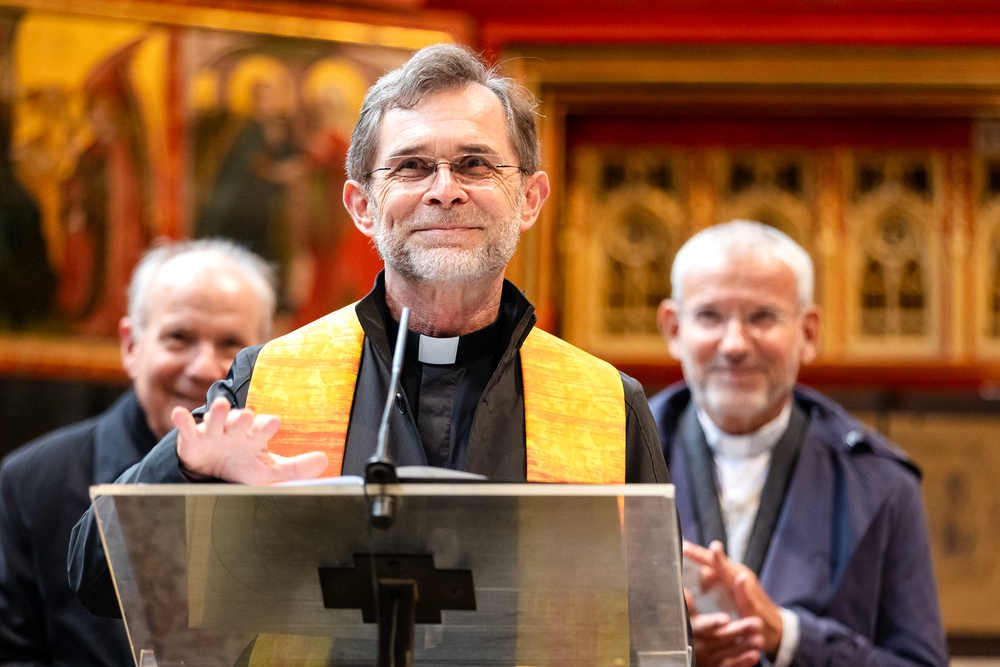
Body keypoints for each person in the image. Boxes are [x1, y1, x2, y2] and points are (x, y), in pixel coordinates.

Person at [68, 42, 670, 618]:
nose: (444, 191)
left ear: (530, 199)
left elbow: (656, 623)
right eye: (412, 166)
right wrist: (187, 471)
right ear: (362, 207)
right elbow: (97, 579)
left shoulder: (606, 404)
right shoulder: (273, 379)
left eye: (475, 164)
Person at [649, 220, 947, 667]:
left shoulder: (881, 482)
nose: (734, 344)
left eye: (763, 317)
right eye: (709, 315)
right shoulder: (611, 457)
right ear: (673, 328)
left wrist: (788, 637)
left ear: (808, 332)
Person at [0, 239, 275, 666]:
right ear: (131, 346)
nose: (204, 368)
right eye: (179, 338)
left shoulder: (293, 479)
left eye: (230, 345)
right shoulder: (31, 484)